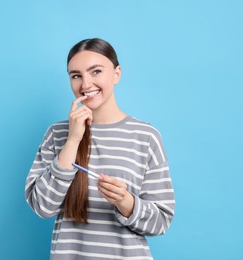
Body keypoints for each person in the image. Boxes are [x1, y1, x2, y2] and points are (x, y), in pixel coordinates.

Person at [25, 38, 175, 259]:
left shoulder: (146, 137)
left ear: (116, 74)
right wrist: (73, 140)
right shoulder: (57, 134)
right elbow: (42, 206)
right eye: (76, 75)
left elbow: (161, 221)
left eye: (95, 72)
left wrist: (125, 201)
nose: (85, 85)